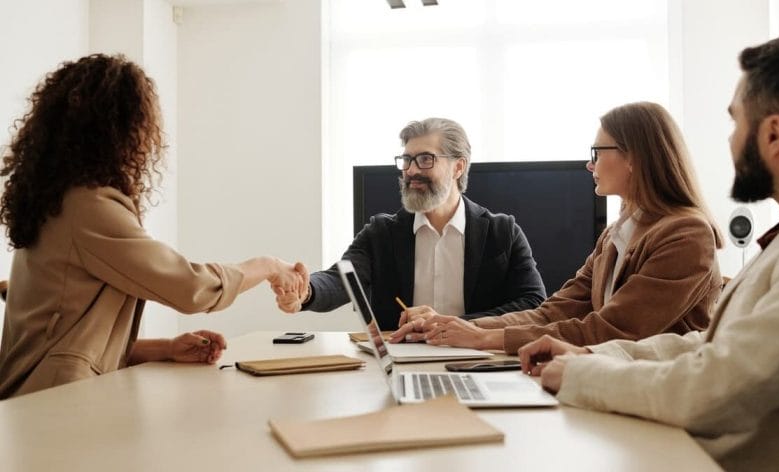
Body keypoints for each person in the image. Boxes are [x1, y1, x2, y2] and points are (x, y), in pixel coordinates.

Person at [518, 33, 779, 471]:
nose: (730, 142)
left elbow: (720, 386)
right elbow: (707, 346)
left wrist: (581, 375)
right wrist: (593, 357)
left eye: (735, 123)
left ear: (774, 134)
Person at [0, 54, 307, 399]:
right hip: (52, 406)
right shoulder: (88, 207)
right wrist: (268, 266)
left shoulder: (55, 201)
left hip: (40, 400)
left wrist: (165, 348)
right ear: (120, 129)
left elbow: (67, 337)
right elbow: (190, 287)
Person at [392, 102, 722, 354]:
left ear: (634, 157)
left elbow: (614, 329)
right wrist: (458, 327)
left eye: (597, 152)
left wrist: (485, 338)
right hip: (608, 382)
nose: (590, 164)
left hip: (656, 400)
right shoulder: (614, 236)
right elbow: (551, 312)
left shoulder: (687, 235)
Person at [276, 117, 546, 330]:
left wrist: (454, 325)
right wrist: (305, 291)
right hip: (403, 359)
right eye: (406, 160)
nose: (412, 170)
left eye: (425, 159)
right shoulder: (381, 233)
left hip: (479, 359)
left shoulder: (503, 232)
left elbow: (533, 303)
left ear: (458, 167)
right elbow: (341, 280)